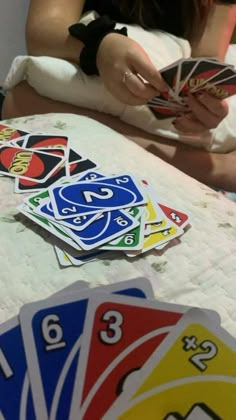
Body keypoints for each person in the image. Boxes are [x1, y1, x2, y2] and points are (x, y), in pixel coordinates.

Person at [3, 0, 236, 191]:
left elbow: (206, 60)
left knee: (23, 105)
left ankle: (206, 167)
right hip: (85, 72)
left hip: (153, 118)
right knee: (22, 102)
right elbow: (43, 29)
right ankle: (208, 169)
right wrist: (99, 47)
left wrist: (205, 100)